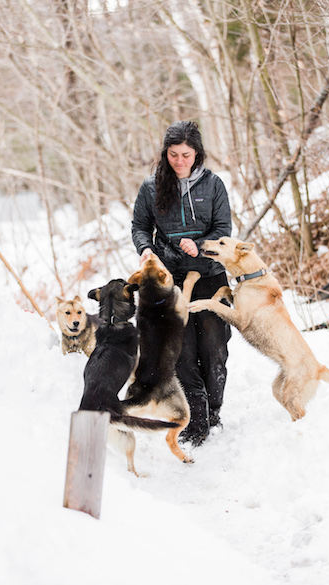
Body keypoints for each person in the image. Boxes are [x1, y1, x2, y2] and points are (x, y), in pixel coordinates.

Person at [131, 120, 232, 446]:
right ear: (166, 154)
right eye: (173, 154)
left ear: (197, 153)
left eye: (186, 154)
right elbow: (140, 227)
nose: (179, 161)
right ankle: (197, 420)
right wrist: (146, 248)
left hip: (210, 278)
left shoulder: (214, 185)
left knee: (213, 349)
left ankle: (213, 411)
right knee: (182, 352)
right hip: (170, 281)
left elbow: (223, 228)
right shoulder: (150, 187)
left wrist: (201, 244)